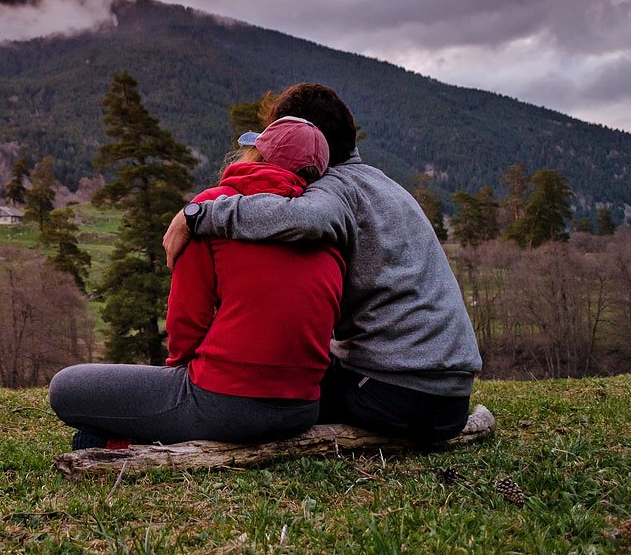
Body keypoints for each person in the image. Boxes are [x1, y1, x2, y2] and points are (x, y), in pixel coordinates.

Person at [164, 83, 482, 443]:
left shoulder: (335, 187)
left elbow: (306, 219)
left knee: (275, 392)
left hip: (397, 395)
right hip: (450, 400)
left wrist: (199, 215)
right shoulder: (384, 185)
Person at [49, 117, 344, 448]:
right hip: (301, 409)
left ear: (257, 156)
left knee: (66, 388)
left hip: (223, 404)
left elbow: (186, 321)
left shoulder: (209, 210)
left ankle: (128, 441)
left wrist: (178, 386)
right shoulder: (328, 228)